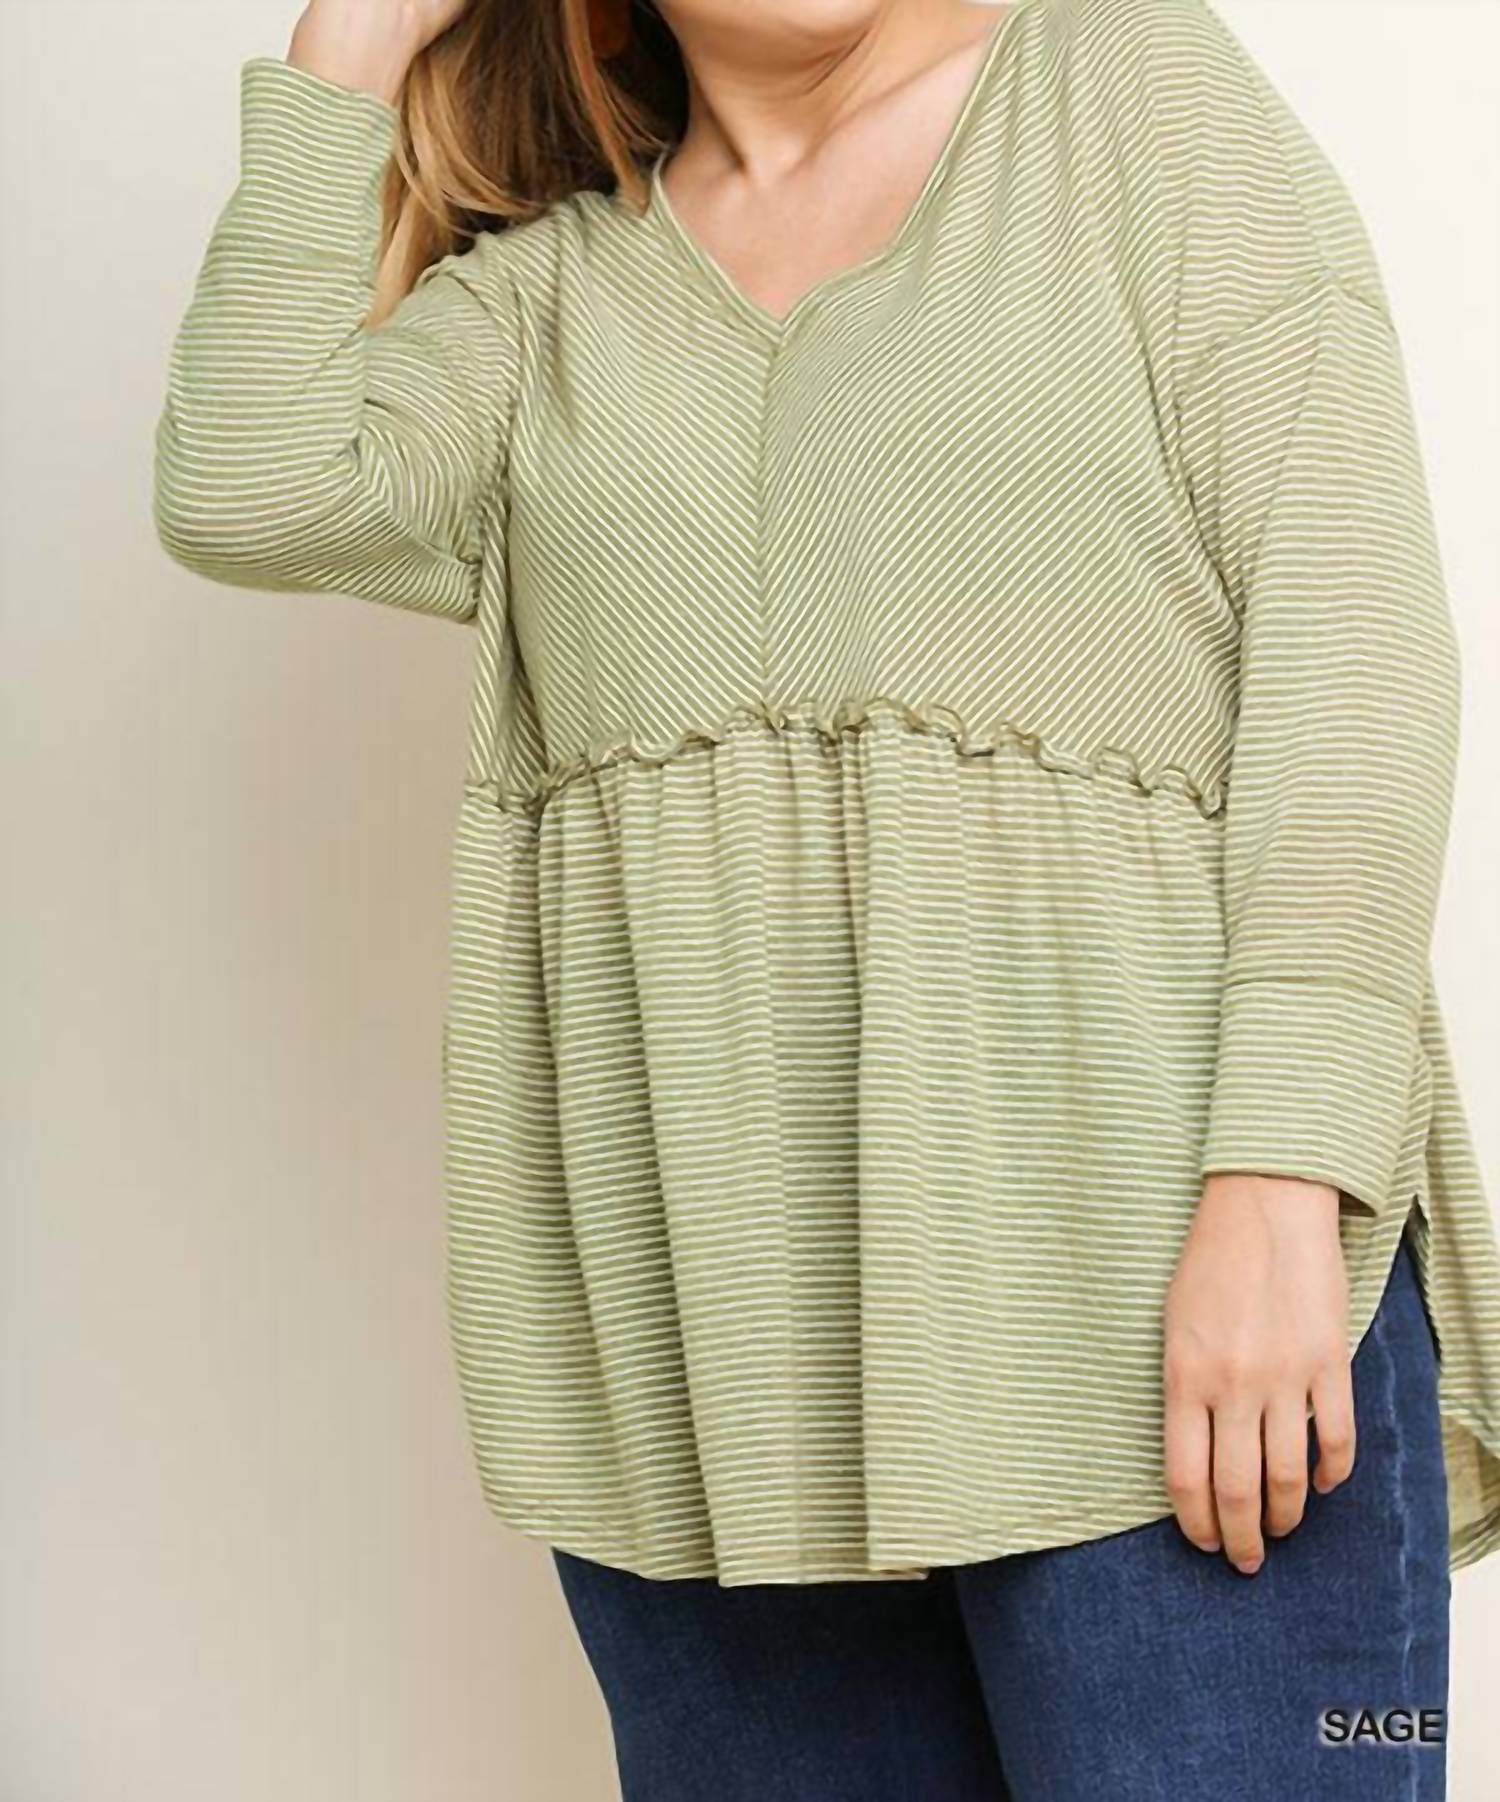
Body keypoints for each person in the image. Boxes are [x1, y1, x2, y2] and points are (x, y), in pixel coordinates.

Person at [152, 0, 1500, 1794]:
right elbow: (249, 479)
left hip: (1172, 1340)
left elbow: (1357, 655)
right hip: (718, 1417)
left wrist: (1281, 1177)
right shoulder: (548, 302)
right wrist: (356, 48)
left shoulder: (1126, 93)